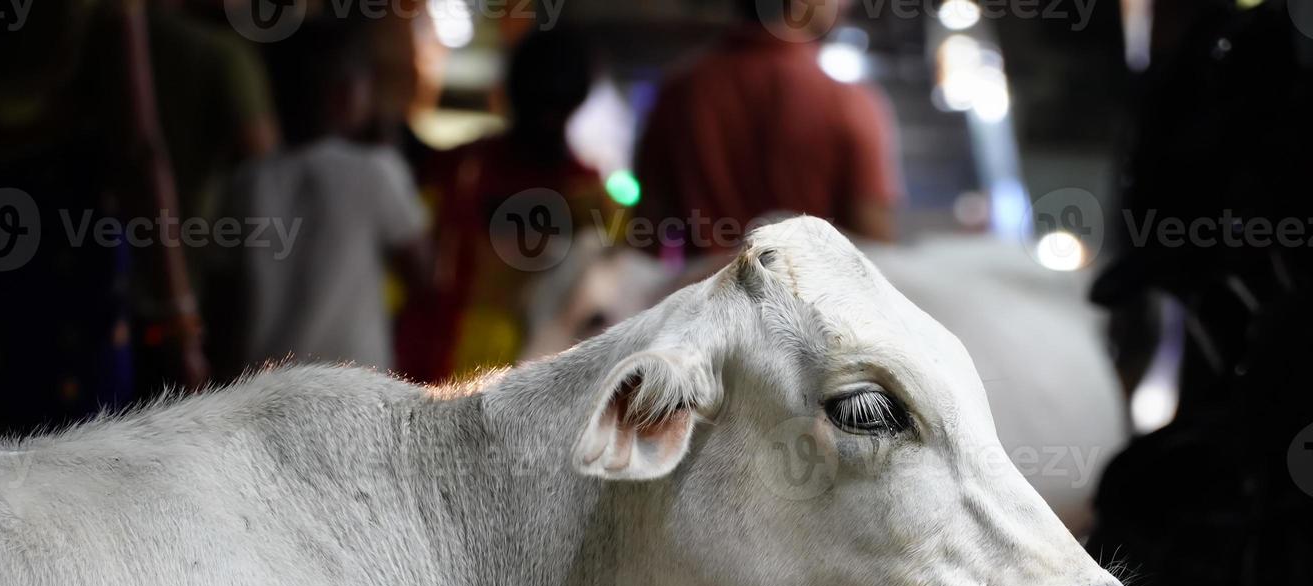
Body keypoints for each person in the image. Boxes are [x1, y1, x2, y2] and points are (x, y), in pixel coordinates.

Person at [396, 27, 623, 383]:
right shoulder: (459, 168)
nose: (548, 120)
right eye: (543, 106)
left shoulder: (585, 195)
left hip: (510, 375)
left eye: (557, 107)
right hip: (442, 362)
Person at [221, 18, 427, 374]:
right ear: (347, 91)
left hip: (258, 390)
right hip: (350, 393)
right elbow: (424, 273)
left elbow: (227, 298)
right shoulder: (376, 169)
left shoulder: (248, 181)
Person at [633, 0, 901, 258]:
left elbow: (648, 233)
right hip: (809, 303)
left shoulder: (676, 95)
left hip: (704, 299)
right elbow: (875, 250)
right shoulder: (847, 103)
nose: (846, 3)